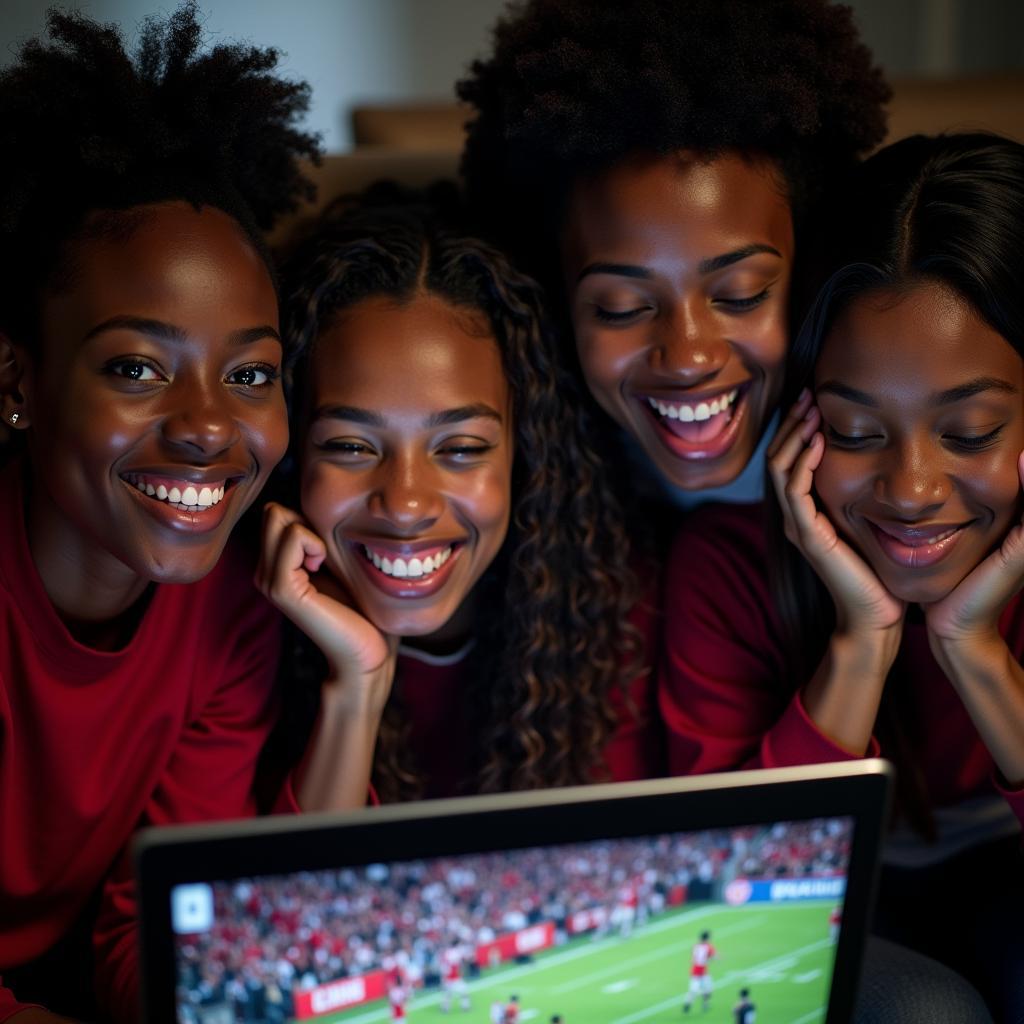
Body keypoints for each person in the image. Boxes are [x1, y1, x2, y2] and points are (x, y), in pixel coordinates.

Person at [659, 134, 1024, 1022]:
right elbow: (743, 918)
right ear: (803, 420)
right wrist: (863, 641)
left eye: (970, 431)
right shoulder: (724, 571)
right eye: (858, 434)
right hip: (822, 905)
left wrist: (975, 652)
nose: (912, 491)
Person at [0, 5, 317, 1021]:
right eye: (137, 367)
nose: (207, 428)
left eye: (250, 373)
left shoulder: (231, 613)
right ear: (19, 381)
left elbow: (155, 946)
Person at [257, 192, 660, 808]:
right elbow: (293, 898)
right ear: (292, 456)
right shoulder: (236, 628)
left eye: (462, 448)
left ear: (526, 455)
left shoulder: (611, 613)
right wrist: (356, 689)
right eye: (351, 446)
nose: (406, 503)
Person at [458, 0, 889, 511]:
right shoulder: (508, 486)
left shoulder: (896, 484)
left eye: (740, 296)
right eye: (621, 306)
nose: (687, 358)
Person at [683, 930, 716, 1013]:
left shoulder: (696, 946)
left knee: (693, 990)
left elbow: (694, 957)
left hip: (695, 971)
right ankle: (704, 1003)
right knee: (707, 990)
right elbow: (712, 956)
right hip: (702, 972)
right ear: (707, 938)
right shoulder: (708, 946)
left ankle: (688, 1003)